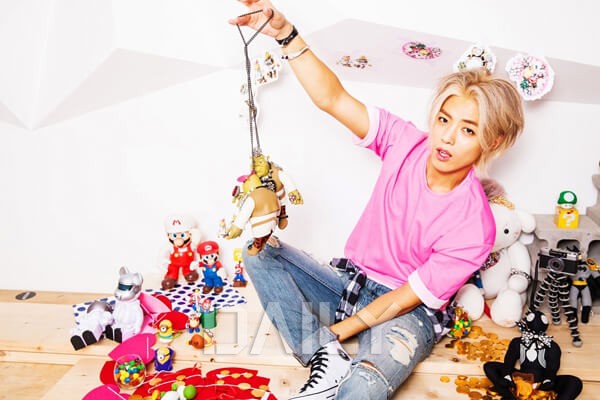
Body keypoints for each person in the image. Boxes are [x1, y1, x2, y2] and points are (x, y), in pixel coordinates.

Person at [229, 1, 525, 399]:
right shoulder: (405, 141)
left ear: (493, 140)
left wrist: (336, 332)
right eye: (444, 119)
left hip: (408, 313)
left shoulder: (476, 227)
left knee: (364, 385)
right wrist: (286, 33)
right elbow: (333, 99)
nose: (447, 137)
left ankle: (330, 357)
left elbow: (402, 299)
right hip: (350, 284)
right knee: (259, 251)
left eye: (468, 130)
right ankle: (324, 360)